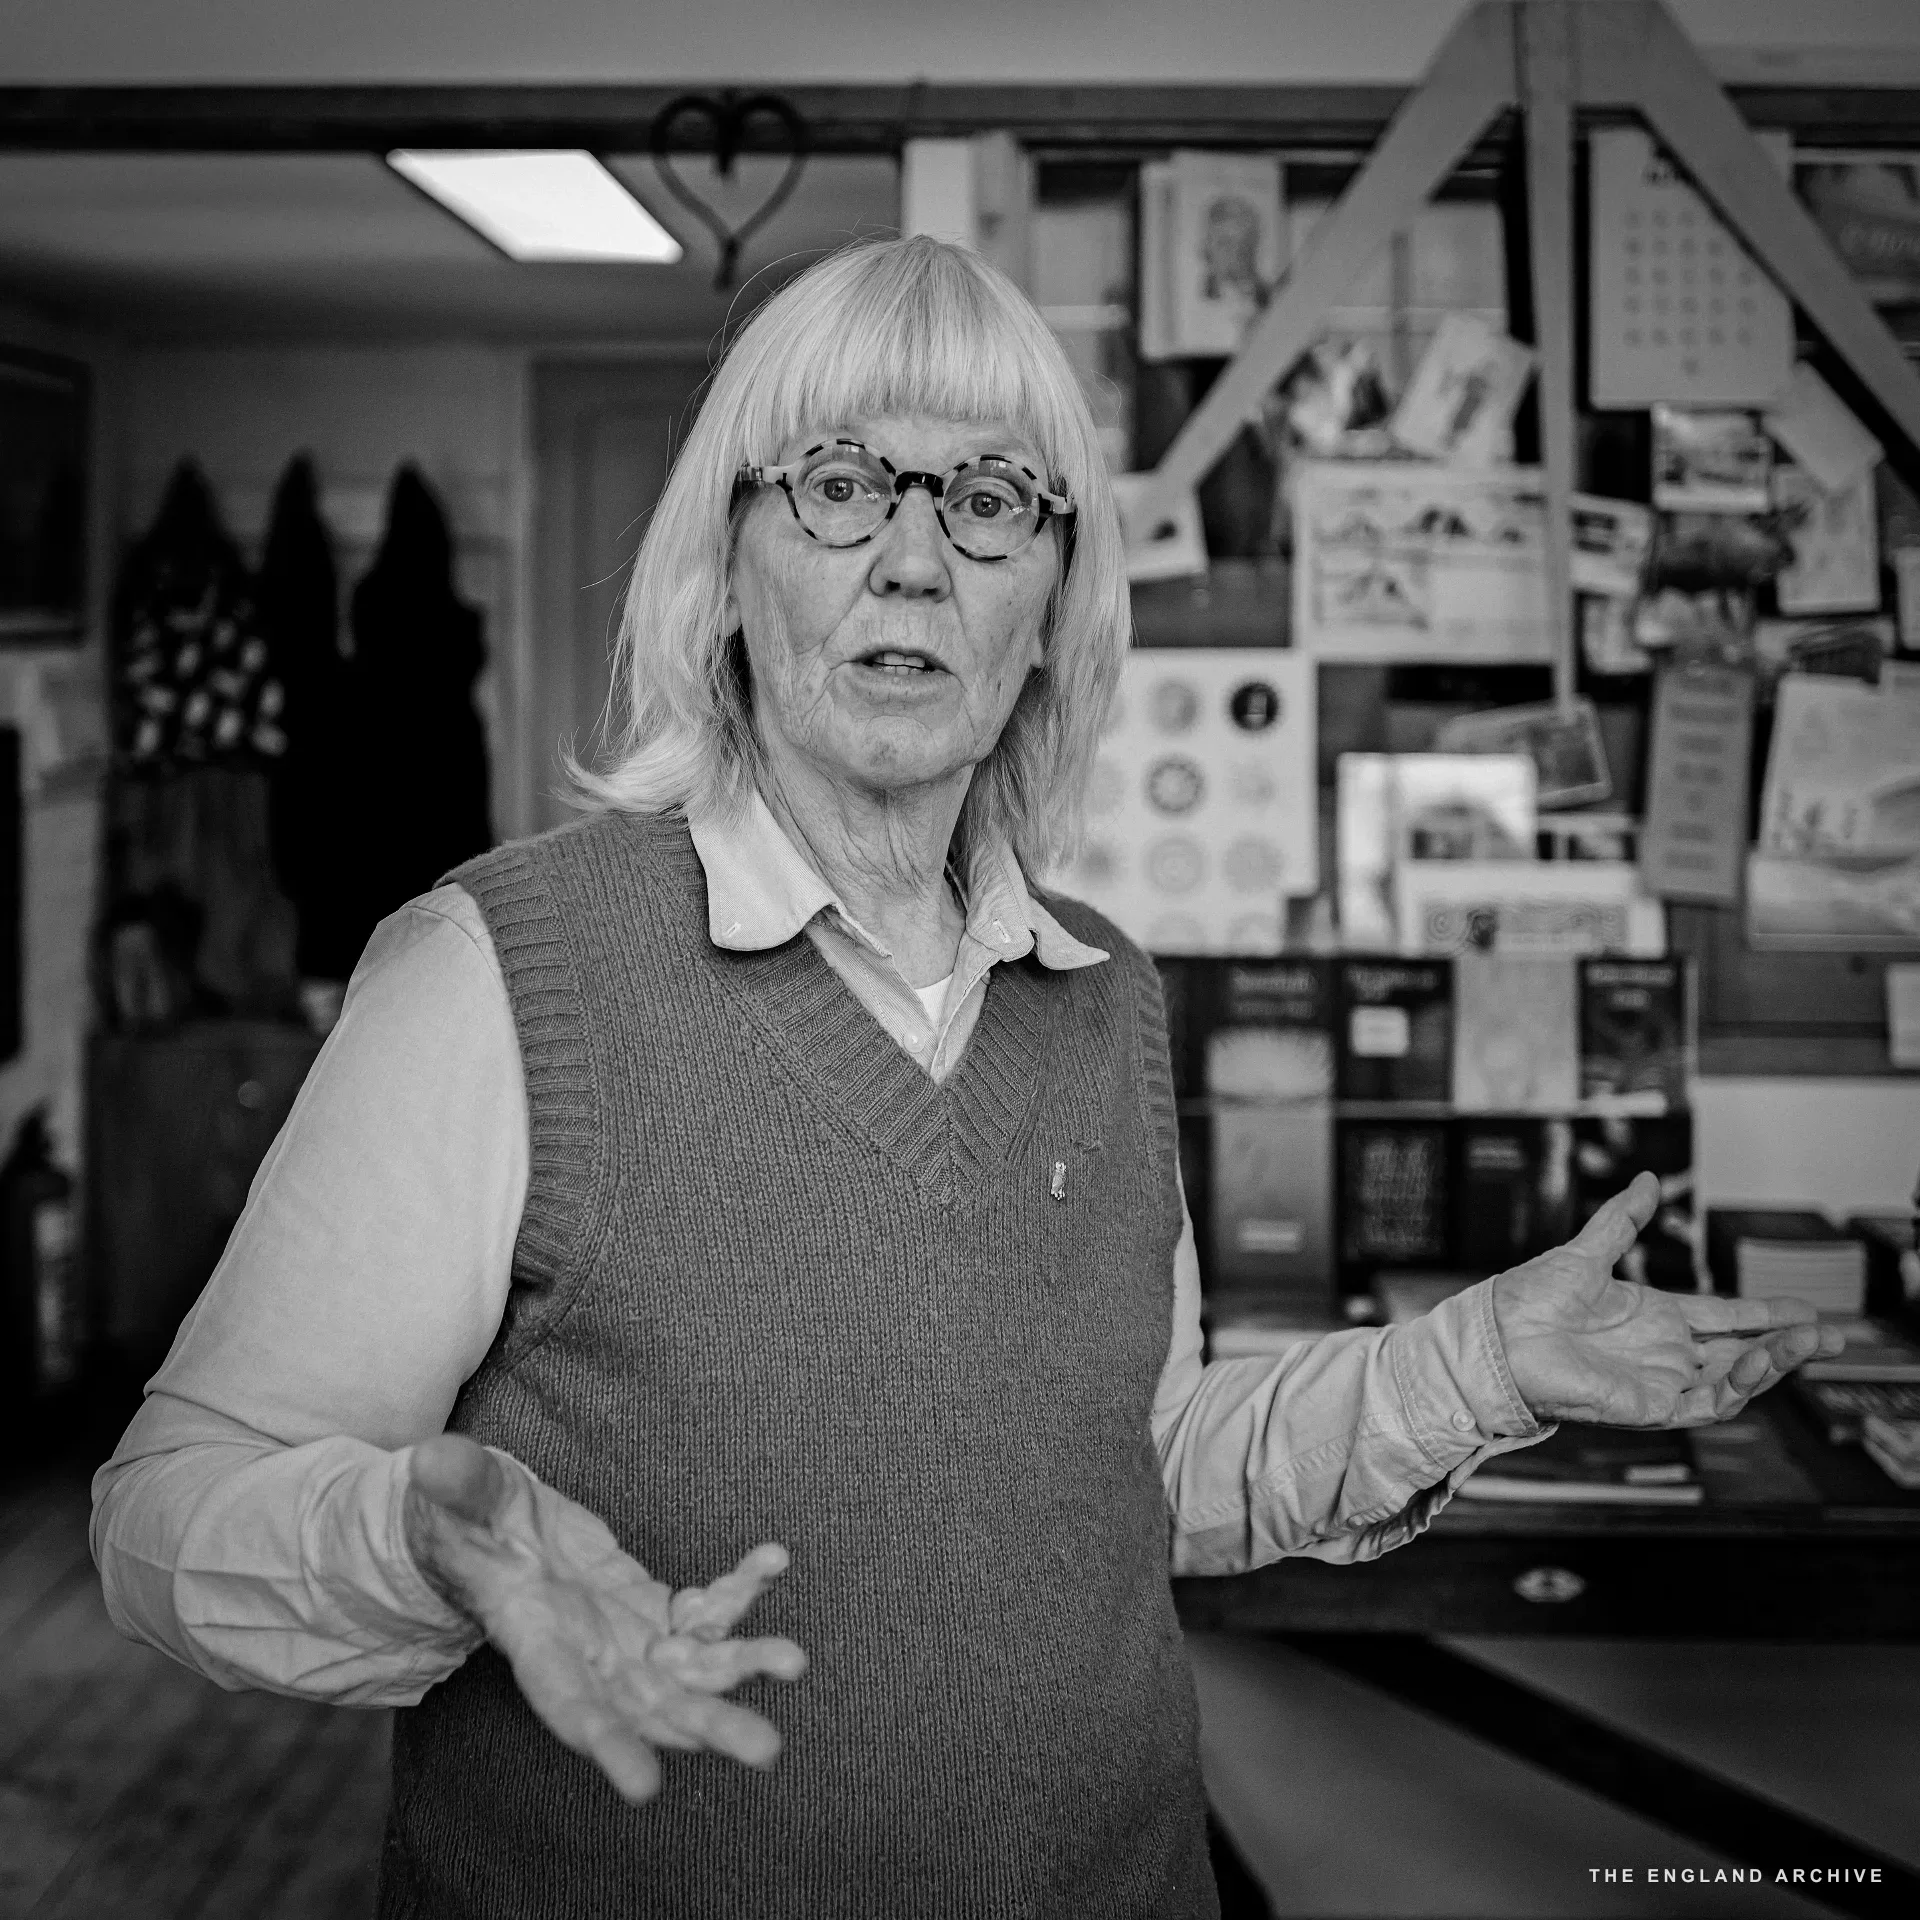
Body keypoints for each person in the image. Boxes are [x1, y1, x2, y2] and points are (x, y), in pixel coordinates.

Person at [92, 236, 1839, 1920]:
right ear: (732, 561)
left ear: (1052, 604)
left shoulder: (1101, 998)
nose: (915, 558)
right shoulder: (494, 972)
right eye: (844, 483)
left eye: (990, 500)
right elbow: (164, 1515)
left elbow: (1127, 1476)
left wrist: (1485, 1361)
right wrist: (426, 1533)